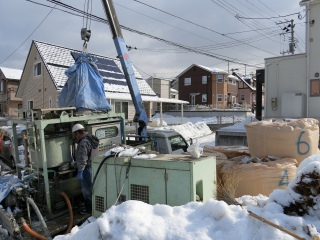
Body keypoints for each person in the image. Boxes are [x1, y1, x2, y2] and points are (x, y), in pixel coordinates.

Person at [72, 123, 99, 215]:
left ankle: (89, 209)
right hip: (93, 166)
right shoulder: (90, 138)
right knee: (92, 188)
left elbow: (82, 158)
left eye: (75, 134)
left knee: (86, 190)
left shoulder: (83, 143)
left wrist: (80, 171)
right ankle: (95, 207)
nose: (76, 137)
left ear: (77, 133)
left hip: (86, 169)